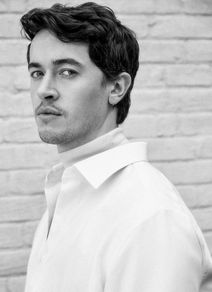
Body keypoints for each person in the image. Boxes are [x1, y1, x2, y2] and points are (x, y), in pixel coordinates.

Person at [20, 2, 212, 291]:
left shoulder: (150, 217)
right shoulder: (65, 191)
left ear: (116, 88)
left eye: (67, 72)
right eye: (37, 73)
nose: (44, 89)